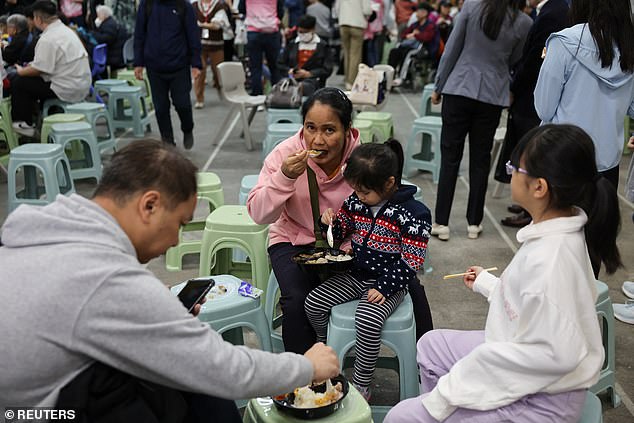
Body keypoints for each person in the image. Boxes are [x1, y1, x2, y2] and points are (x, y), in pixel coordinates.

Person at [0, 140, 340, 421]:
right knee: (199, 385)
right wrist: (306, 366)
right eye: (179, 223)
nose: (177, 241)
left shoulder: (57, 225)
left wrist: (155, 316)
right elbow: (221, 369)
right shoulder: (108, 279)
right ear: (150, 205)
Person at [385, 123, 622, 423]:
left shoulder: (550, 262)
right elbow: (533, 307)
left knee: (401, 417)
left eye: (515, 168)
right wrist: (489, 284)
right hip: (527, 362)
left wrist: (446, 397)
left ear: (539, 187)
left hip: (540, 398)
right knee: (431, 347)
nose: (510, 173)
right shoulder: (560, 227)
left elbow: (531, 359)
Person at [247, 87, 434, 354]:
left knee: (411, 285)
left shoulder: (363, 160)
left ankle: (426, 361)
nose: (317, 140)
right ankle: (307, 375)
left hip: (350, 242)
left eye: (329, 130)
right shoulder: (285, 154)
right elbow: (258, 214)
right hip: (293, 238)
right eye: (310, 128)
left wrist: (354, 244)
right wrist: (285, 177)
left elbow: (389, 210)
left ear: (347, 129)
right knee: (297, 299)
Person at [305, 140, 432, 400]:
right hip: (356, 275)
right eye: (355, 190)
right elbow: (338, 236)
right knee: (313, 302)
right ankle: (324, 346)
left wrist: (384, 287)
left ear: (389, 183)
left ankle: (362, 383)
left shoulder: (414, 214)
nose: (358, 197)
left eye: (364, 192)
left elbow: (412, 261)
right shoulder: (356, 202)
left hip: (391, 283)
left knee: (367, 318)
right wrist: (327, 222)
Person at [429, 0, 531, 241]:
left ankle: (441, 222)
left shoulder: (472, 6)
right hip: (492, 95)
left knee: (450, 157)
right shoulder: (524, 22)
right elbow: (515, 58)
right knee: (481, 159)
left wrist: (439, 84)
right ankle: (474, 223)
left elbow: (453, 47)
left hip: (460, 87)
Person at [534, 0, 634, 190]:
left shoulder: (563, 42)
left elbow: (544, 109)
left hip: (563, 156)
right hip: (608, 162)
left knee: (564, 219)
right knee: (600, 218)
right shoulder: (628, 49)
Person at [493, 0, 569, 228]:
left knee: (533, 155)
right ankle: (527, 205)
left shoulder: (553, 13)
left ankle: (532, 211)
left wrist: (515, 87)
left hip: (532, 95)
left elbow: (535, 59)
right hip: (529, 93)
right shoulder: (547, 11)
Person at [10, 0, 91, 138]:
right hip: (82, 84)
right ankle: (36, 121)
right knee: (28, 81)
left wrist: (20, 70)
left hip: (67, 88)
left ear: (38, 19)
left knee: (18, 81)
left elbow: (39, 69)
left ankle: (23, 125)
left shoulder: (48, 38)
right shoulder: (67, 30)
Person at [134, 0, 202, 149]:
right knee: (160, 108)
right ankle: (168, 142)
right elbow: (139, 34)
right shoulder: (147, 5)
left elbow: (193, 35)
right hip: (154, 67)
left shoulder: (184, 6)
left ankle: (187, 128)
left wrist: (196, 63)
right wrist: (138, 62)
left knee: (182, 104)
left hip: (179, 66)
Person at [278, 14, 333, 96]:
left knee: (305, 86)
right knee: (282, 85)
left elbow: (327, 69)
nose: (302, 35)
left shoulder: (323, 46)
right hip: (292, 79)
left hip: (313, 81)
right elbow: (280, 63)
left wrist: (309, 73)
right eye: (300, 32)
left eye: (305, 32)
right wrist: (289, 71)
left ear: (313, 30)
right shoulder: (292, 44)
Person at [238, 0, 284, 95]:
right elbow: (280, 12)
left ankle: (257, 96)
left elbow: (241, 9)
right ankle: (277, 95)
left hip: (253, 31)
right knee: (275, 66)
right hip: (271, 30)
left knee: (255, 67)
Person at [388, 2, 437, 87]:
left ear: (425, 13)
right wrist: (409, 35)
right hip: (410, 46)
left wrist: (416, 35)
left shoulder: (430, 25)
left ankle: (402, 78)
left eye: (418, 11)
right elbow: (404, 34)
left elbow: (427, 38)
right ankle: (389, 77)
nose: (416, 14)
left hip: (423, 49)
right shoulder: (415, 24)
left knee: (408, 53)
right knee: (394, 51)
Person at [192, 0, 230, 109]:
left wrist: (201, 25)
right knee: (199, 70)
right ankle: (199, 98)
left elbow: (217, 25)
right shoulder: (194, 6)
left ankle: (221, 90)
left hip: (216, 45)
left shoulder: (219, 6)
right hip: (198, 45)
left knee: (218, 71)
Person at [336, 0, 371, 90]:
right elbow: (367, 10)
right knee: (355, 55)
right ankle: (351, 82)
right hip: (357, 24)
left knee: (346, 54)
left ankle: (347, 78)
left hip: (343, 23)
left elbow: (336, 9)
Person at [90, 5, 127, 74]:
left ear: (104, 15)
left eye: (98, 15)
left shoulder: (109, 24)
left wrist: (94, 35)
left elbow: (106, 39)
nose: (97, 18)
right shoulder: (109, 22)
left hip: (114, 55)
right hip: (116, 54)